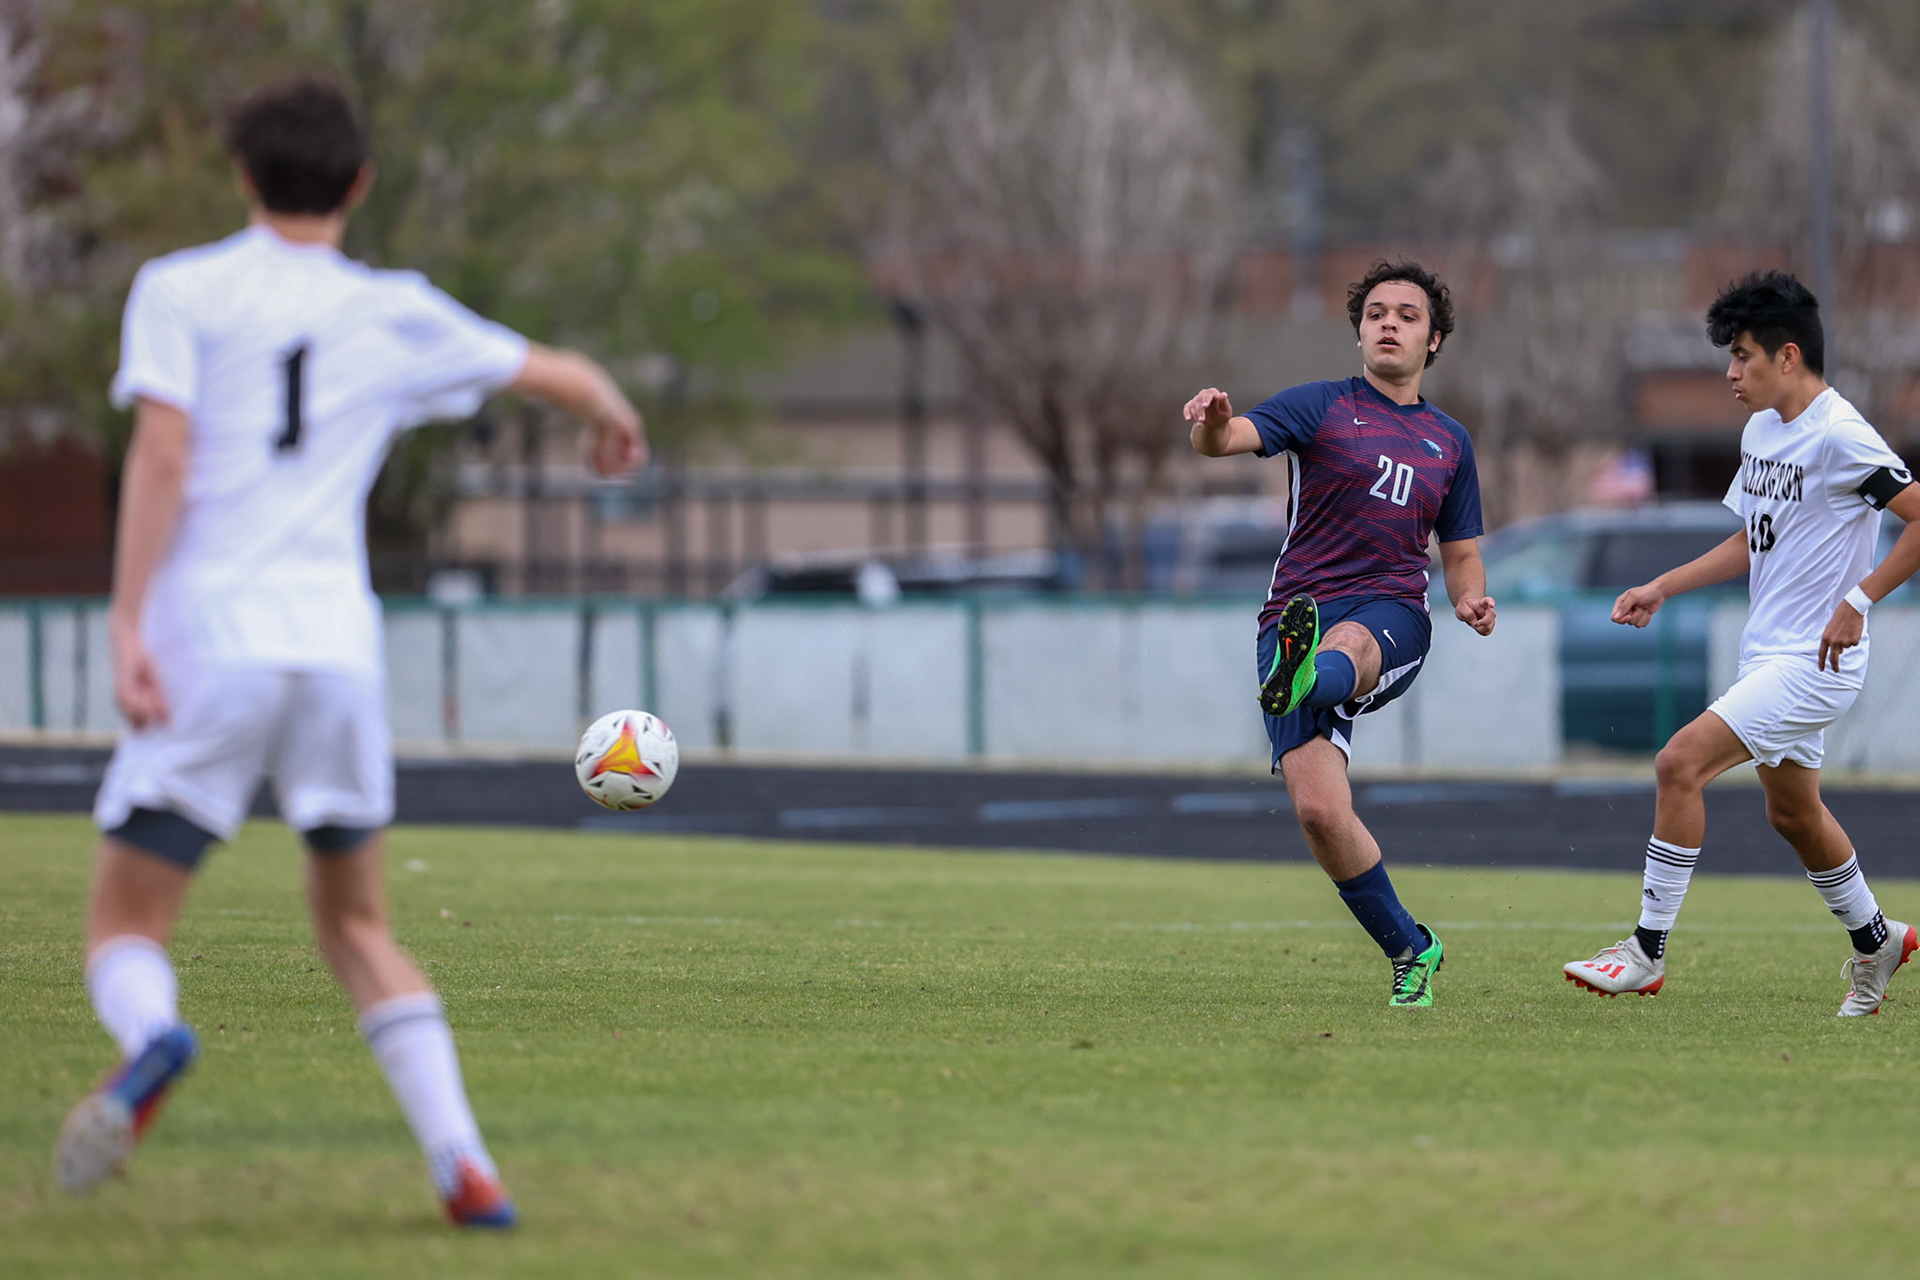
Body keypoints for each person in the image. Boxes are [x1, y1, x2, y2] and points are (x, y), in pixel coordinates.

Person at [54, 76, 647, 1224]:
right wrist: (613, 421)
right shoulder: (395, 310)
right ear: (360, 185)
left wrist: (128, 622)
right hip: (336, 649)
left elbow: (164, 459)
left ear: (241, 176)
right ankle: (464, 1164)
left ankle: (154, 1035)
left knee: (126, 926)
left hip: (213, 640)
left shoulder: (181, 290)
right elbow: (562, 375)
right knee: (358, 924)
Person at [1564, 270, 1920, 1014]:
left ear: (1788, 357)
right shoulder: (1763, 429)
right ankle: (1877, 938)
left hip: (1816, 662)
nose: (1731, 373)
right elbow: (1753, 540)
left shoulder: (1840, 434)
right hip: (1769, 652)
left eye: (1743, 356)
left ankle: (1644, 953)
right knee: (1792, 814)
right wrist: (1665, 585)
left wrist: (1860, 600)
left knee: (1679, 763)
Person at [1183, 259, 1496, 1007]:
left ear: (1435, 341)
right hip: (1295, 612)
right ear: (1359, 331)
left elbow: (1460, 554)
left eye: (1407, 315)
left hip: (1390, 616)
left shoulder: (1449, 442)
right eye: (1377, 312)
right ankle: (1412, 948)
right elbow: (1223, 444)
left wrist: (1473, 599)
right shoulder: (1320, 407)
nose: (1389, 322)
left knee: (1346, 650)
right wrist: (1213, 420)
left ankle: (1304, 674)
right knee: (1321, 813)